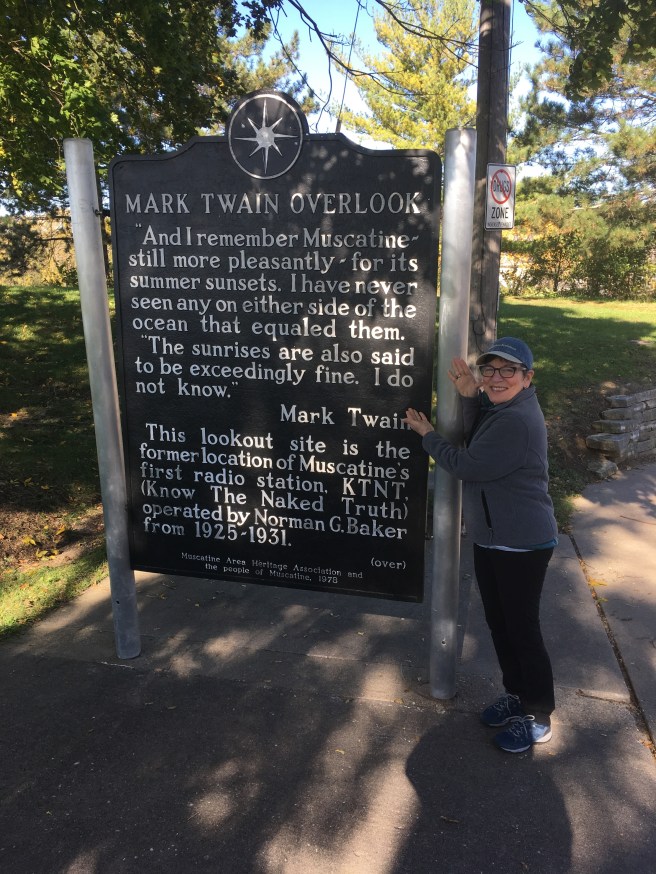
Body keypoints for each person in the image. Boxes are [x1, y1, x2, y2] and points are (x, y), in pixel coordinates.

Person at [403, 337, 558, 754]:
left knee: (522, 630)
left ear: (528, 378)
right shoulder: (503, 409)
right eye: (489, 370)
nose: (497, 378)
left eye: (509, 370)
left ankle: (539, 715)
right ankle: (517, 696)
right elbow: (479, 437)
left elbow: (467, 464)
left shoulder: (517, 421)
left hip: (522, 543)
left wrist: (428, 435)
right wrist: (471, 398)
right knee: (501, 624)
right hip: (494, 537)